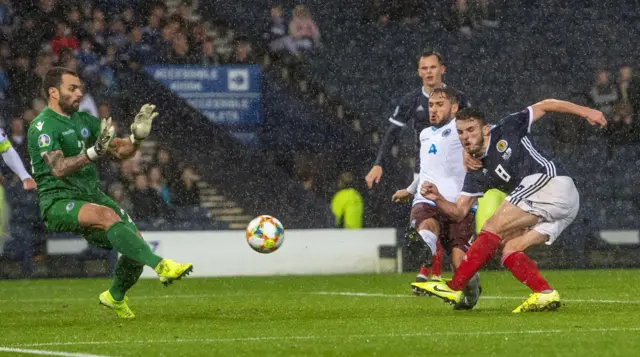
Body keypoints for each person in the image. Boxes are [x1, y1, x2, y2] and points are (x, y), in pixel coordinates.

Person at [27, 67, 193, 319]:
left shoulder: (84, 121)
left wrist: (137, 139)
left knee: (135, 244)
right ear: (53, 92)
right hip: (59, 200)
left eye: (80, 88)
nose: (79, 93)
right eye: (72, 88)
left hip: (91, 196)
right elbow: (58, 169)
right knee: (107, 216)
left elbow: (119, 150)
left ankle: (114, 296)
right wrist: (94, 151)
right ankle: (161, 265)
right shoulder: (42, 126)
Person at [412, 100, 607, 312]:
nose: (466, 137)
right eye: (460, 132)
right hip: (557, 206)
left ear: (485, 129)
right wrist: (438, 198)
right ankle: (544, 293)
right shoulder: (476, 173)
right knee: (509, 248)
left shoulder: (507, 127)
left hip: (553, 182)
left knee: (491, 226)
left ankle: (455, 285)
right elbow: (459, 212)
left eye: (471, 130)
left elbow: (546, 105)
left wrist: (586, 111)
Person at [391, 88, 480, 308]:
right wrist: (411, 190)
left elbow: (487, 135)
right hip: (427, 199)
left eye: (440, 105)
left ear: (454, 108)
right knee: (427, 224)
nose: (433, 110)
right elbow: (427, 169)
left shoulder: (461, 129)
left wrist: (478, 157)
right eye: (431, 105)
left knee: (462, 266)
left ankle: (472, 293)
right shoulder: (425, 134)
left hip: (458, 205)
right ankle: (425, 249)